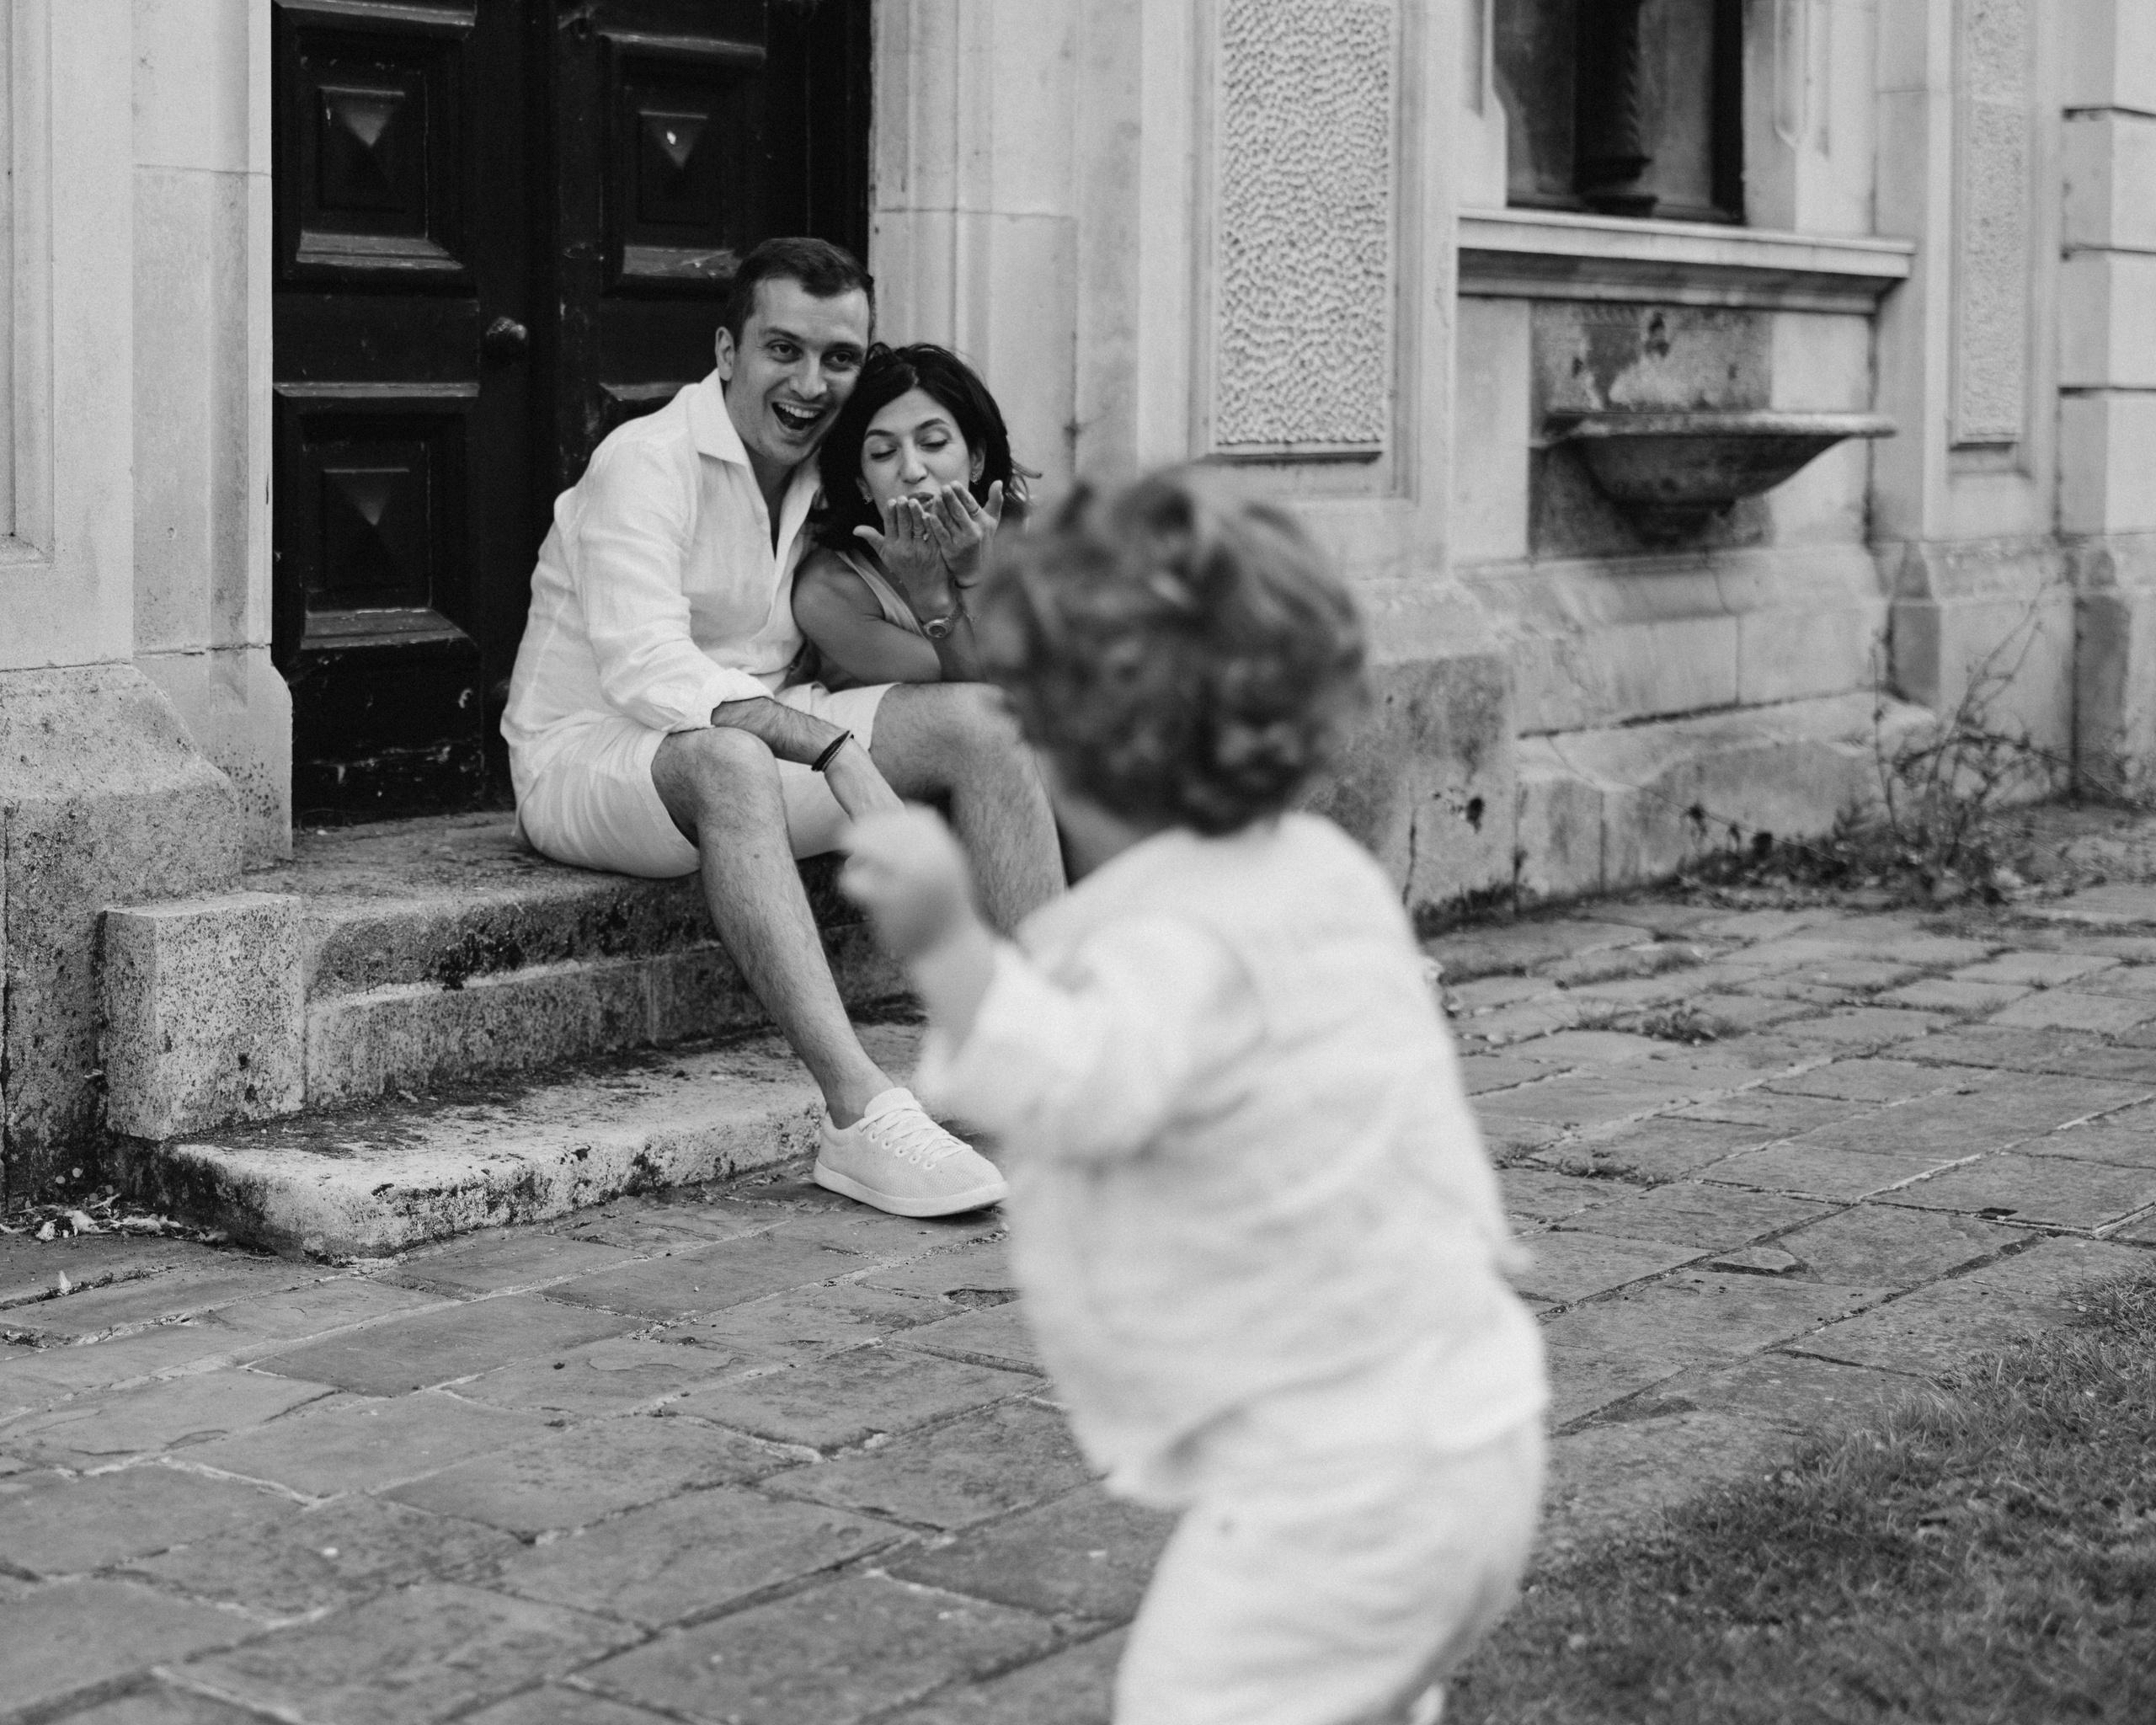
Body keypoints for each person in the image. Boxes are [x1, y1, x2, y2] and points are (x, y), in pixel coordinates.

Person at [840, 471, 1549, 1725]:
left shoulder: (1175, 936)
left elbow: (1075, 1086)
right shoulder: (1319, 871)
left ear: (1089, 749)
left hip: (1337, 1480)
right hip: (1473, 1420)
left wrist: (946, 940)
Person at [502, 237, 1065, 1220]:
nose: (810, 383)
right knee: (729, 759)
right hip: (590, 757)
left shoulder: (824, 479)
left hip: (759, 746)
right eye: (783, 350)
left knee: (980, 721)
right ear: (728, 351)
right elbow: (647, 669)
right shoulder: (645, 462)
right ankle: (859, 1114)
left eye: (838, 357)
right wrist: (832, 746)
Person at [792, 342, 1022, 689]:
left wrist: (974, 573)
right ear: (862, 482)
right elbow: (978, 694)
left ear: (976, 458)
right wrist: (934, 596)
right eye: (883, 452)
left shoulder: (1030, 535)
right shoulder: (829, 590)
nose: (913, 471)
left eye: (933, 442)